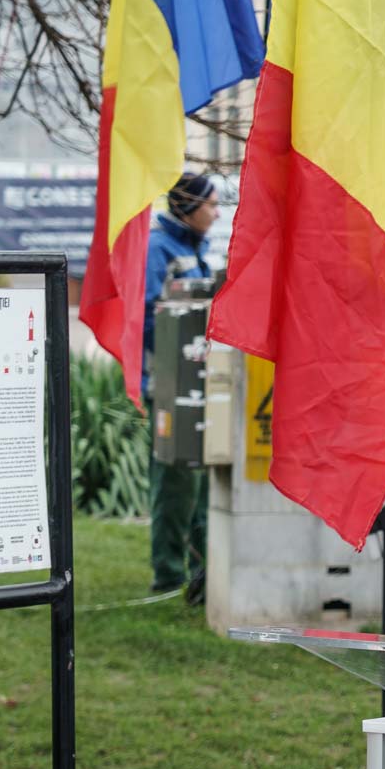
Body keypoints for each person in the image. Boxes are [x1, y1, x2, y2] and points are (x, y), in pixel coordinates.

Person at [144, 172, 218, 598]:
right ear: (188, 208)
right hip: (169, 384)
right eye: (210, 204)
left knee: (203, 484)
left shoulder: (199, 247)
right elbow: (151, 318)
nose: (217, 212)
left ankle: (201, 575)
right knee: (174, 485)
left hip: (200, 382)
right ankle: (168, 576)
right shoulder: (159, 248)